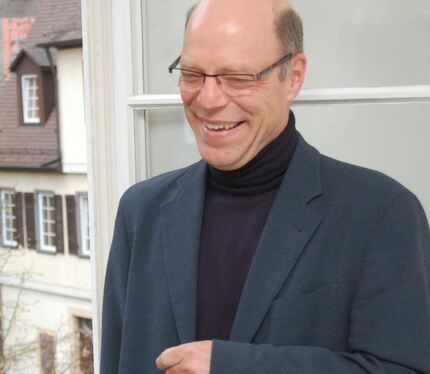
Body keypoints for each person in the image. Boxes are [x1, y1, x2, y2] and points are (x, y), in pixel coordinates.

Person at [101, 0, 430, 373]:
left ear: (293, 76)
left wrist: (232, 365)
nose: (208, 100)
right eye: (192, 73)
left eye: (238, 77)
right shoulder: (140, 211)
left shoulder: (382, 213)